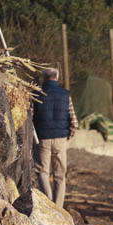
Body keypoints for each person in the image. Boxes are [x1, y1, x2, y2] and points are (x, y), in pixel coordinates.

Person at [31, 66, 77, 208]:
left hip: (42, 138)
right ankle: (58, 207)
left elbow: (30, 118)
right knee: (60, 175)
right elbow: (73, 120)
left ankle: (49, 203)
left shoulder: (36, 94)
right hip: (60, 139)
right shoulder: (65, 94)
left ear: (44, 78)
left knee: (43, 172)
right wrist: (69, 135)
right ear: (57, 78)